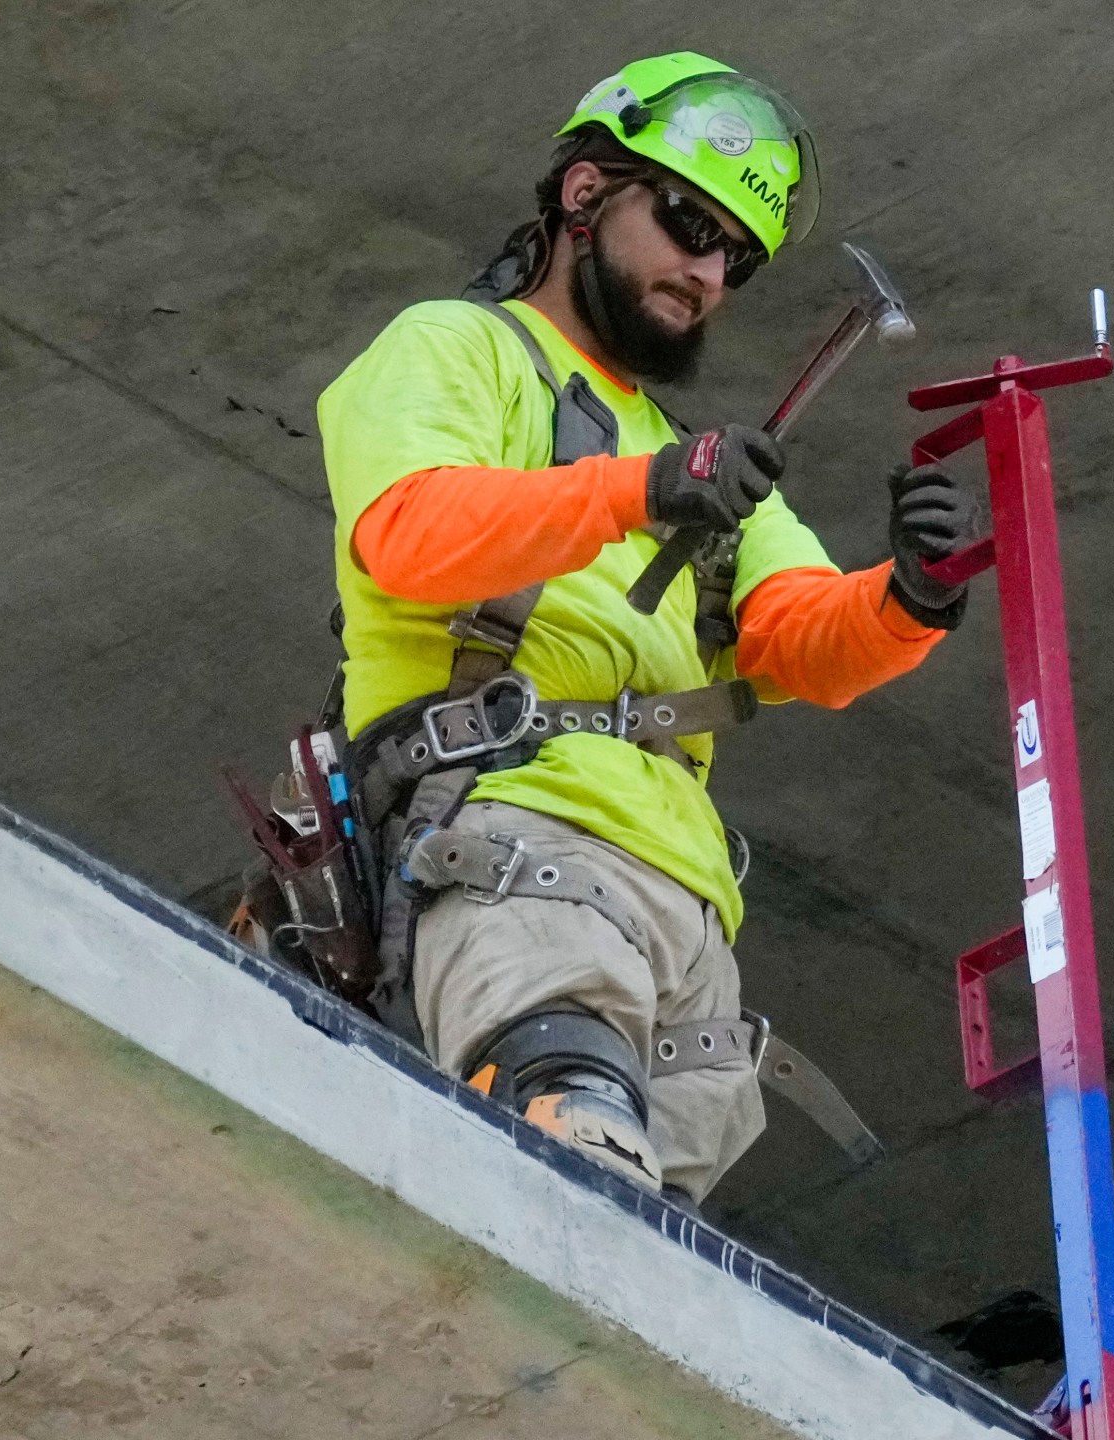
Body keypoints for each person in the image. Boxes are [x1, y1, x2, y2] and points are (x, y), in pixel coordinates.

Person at [314, 52, 970, 1203]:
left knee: (637, 1287)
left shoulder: (695, 466)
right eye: (685, 223)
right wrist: (639, 490)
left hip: (689, 928)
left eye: (735, 258)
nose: (708, 271)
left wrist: (911, 594)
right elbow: (410, 531)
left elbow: (805, 642)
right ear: (583, 195)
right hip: (522, 849)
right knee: (569, 1171)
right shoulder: (463, 349)